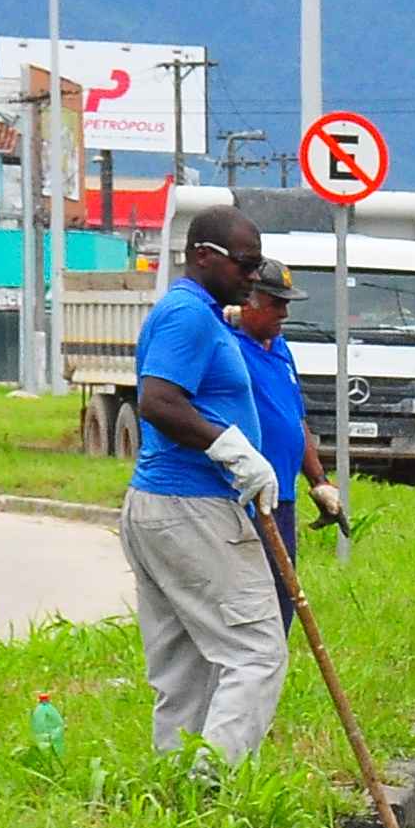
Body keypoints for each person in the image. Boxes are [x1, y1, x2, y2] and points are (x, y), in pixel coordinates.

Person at [125, 202, 290, 775]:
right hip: (191, 504)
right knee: (257, 653)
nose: (253, 275)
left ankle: (177, 789)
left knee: (187, 666)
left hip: (167, 506)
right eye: (246, 262)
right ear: (203, 256)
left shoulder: (204, 316)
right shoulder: (187, 315)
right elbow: (158, 402)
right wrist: (233, 451)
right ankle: (213, 784)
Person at [227, 262, 349, 540]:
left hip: (282, 494)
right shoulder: (229, 346)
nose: (285, 313)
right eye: (276, 304)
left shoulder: (281, 348)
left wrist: (319, 482)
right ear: (249, 301)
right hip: (247, 494)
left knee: (282, 582)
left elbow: (295, 419)